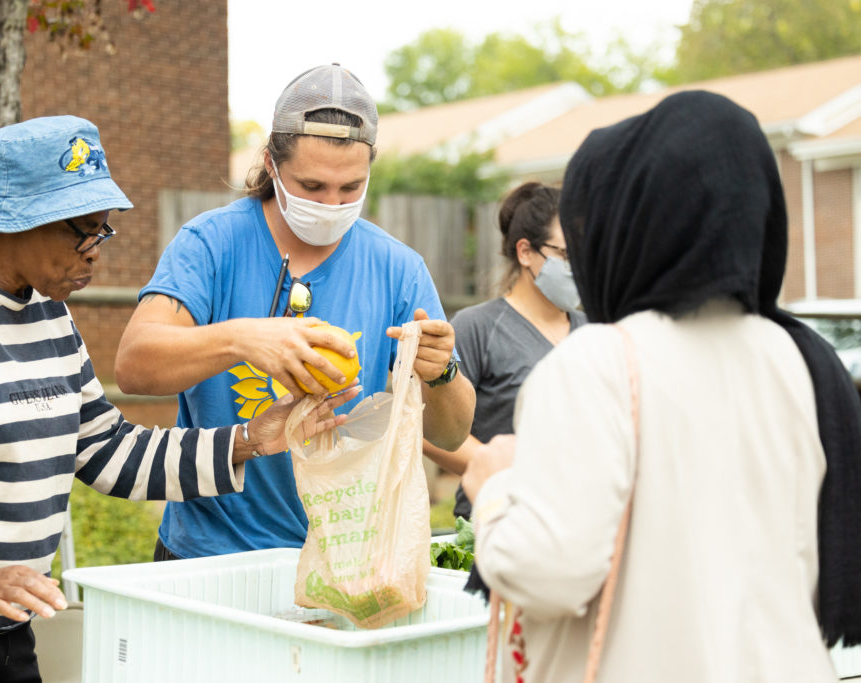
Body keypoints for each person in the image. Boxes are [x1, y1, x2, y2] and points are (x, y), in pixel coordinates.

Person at [0, 115, 357, 683]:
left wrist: (249, 441)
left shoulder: (46, 310)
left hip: (6, 622)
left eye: (103, 231)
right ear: (21, 221)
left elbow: (106, 450)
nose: (95, 254)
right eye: (86, 230)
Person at [462, 90, 861, 682]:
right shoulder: (802, 359)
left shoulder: (598, 361)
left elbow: (547, 573)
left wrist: (496, 488)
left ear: (624, 229)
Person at [114, 63, 476, 561]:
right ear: (270, 163)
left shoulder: (398, 268)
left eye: (351, 188)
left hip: (342, 562)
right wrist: (244, 338)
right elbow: (134, 365)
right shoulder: (210, 244)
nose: (332, 204)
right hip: (209, 556)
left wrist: (442, 372)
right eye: (311, 186)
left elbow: (452, 433)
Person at [422, 181, 586, 521]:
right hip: (497, 519)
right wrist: (506, 471)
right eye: (567, 255)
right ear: (525, 252)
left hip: (576, 523)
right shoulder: (477, 328)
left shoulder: (595, 330)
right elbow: (429, 432)